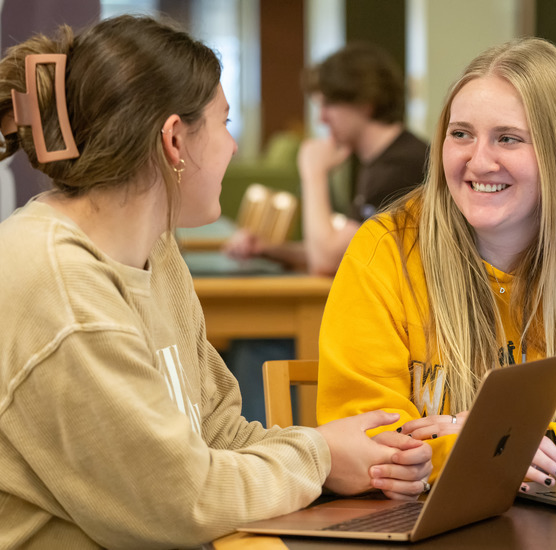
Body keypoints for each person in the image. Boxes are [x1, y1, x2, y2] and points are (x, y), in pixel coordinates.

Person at [0, 16, 432, 548]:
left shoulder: (156, 248)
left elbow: (218, 433)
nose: (232, 147)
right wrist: (321, 457)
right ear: (174, 140)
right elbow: (181, 502)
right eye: (224, 124)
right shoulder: (64, 292)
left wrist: (354, 456)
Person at [316, 38, 556, 491]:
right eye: (461, 134)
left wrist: (533, 443)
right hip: (420, 520)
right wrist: (486, 447)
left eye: (508, 138)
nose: (478, 161)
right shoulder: (384, 250)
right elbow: (361, 440)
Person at [224, 42, 429, 276]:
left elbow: (326, 262)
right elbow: (344, 250)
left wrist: (314, 173)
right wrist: (268, 250)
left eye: (328, 104)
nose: (321, 118)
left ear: (365, 103)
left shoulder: (399, 168)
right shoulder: (391, 158)